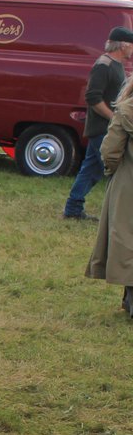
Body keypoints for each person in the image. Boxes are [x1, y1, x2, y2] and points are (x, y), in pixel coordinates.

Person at [64, 26, 133, 220]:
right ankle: (116, 213)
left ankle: (73, 209)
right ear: (124, 45)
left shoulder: (116, 64)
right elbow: (93, 97)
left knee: (91, 169)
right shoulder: (104, 65)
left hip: (106, 128)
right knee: (117, 171)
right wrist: (115, 118)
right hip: (102, 128)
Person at [86, 76, 133, 317]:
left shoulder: (126, 110)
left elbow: (110, 150)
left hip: (129, 183)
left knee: (126, 239)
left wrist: (112, 170)